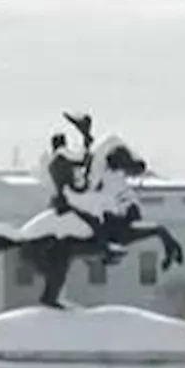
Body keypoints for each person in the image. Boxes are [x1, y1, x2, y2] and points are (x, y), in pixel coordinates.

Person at [46, 112, 122, 263]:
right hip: (69, 198)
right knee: (94, 218)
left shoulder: (55, 160)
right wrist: (86, 141)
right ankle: (104, 249)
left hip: (64, 196)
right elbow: (82, 160)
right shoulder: (62, 157)